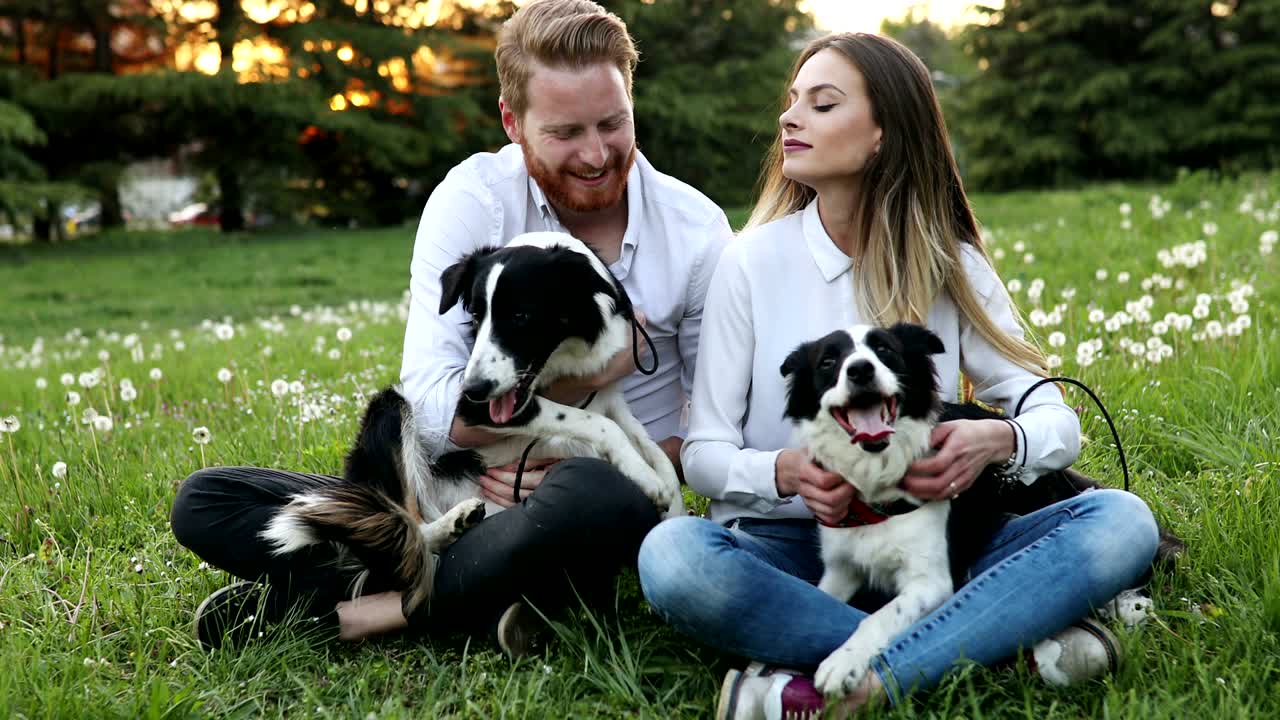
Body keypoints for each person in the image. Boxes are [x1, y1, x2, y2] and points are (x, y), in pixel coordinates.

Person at [171, 0, 730, 654]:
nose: (595, 154)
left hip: (599, 498)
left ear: (632, 101)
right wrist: (592, 379)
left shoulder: (696, 232)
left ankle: (368, 612)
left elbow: (713, 429)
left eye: (612, 124)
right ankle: (490, 592)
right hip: (456, 494)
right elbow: (432, 404)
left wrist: (592, 465)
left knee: (589, 496)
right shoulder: (472, 201)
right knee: (206, 501)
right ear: (511, 121)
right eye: (565, 132)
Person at [636, 33, 1159, 718]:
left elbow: (1056, 421)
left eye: (822, 104)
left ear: (884, 134)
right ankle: (988, 646)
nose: (790, 118)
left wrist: (996, 441)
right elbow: (703, 454)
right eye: (792, 102)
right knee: (674, 556)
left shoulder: (951, 263)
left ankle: (850, 684)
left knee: (1121, 520)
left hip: (931, 544)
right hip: (797, 553)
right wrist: (786, 473)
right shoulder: (751, 261)